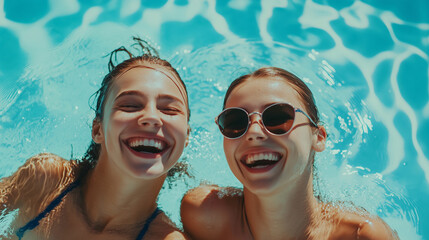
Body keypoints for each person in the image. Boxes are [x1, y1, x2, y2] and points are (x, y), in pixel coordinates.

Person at [0, 37, 190, 240]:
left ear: (186, 137)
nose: (151, 117)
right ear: (98, 129)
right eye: (130, 105)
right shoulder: (45, 181)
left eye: (169, 109)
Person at [180, 67, 398, 240]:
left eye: (277, 118)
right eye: (235, 122)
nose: (254, 133)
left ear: (319, 137)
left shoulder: (361, 236)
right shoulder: (203, 215)